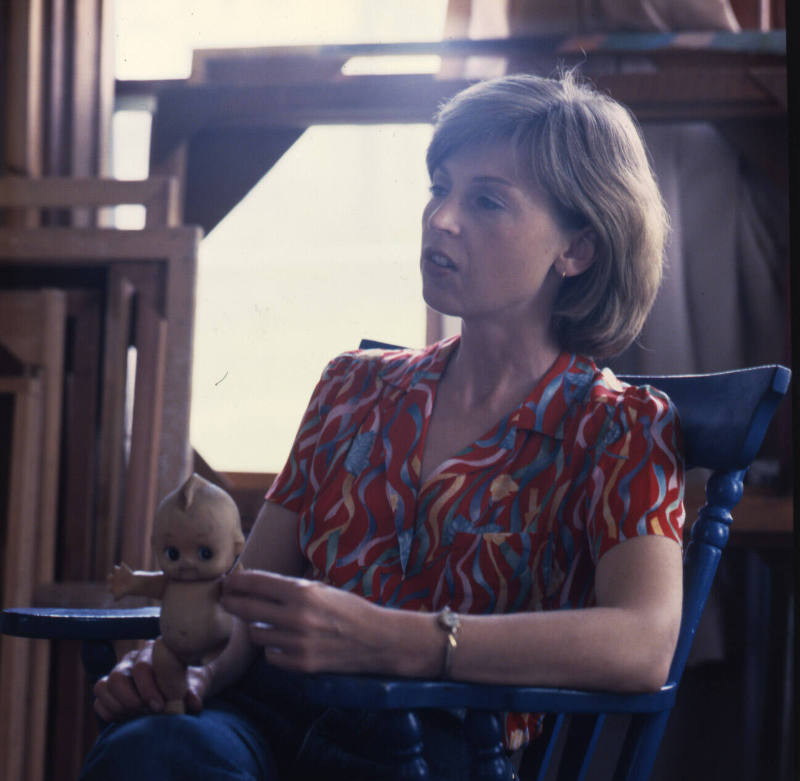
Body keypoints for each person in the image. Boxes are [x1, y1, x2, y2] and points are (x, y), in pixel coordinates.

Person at [82, 71, 684, 780]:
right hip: (267, 715)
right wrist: (184, 666)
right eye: (440, 186)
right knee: (155, 752)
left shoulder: (619, 429)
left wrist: (400, 640)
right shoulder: (353, 386)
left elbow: (642, 642)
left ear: (576, 249)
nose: (442, 218)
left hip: (442, 745)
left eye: (486, 200)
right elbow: (250, 598)